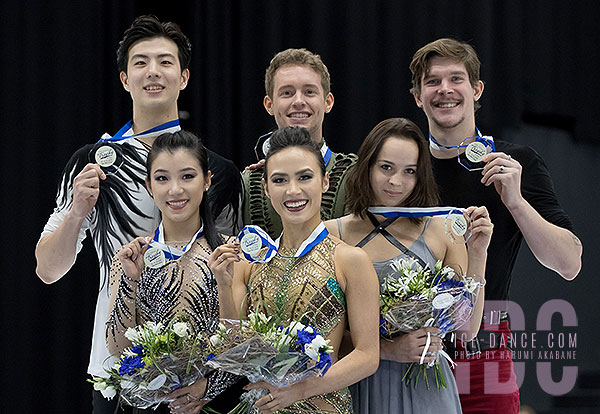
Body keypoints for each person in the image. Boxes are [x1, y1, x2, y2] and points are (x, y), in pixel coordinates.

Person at [35, 15, 241, 414]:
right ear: (125, 78)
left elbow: (232, 282)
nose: (153, 72)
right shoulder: (92, 165)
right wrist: (77, 212)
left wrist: (212, 376)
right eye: (140, 62)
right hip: (117, 368)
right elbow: (47, 269)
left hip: (196, 376)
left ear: (183, 77)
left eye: (165, 62)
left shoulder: (219, 173)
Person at [409, 38, 583, 414]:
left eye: (456, 79)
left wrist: (516, 202)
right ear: (417, 96)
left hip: (482, 349)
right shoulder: (399, 170)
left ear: (476, 89)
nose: (445, 90)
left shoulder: (516, 164)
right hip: (404, 349)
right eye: (432, 81)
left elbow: (569, 264)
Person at [325, 118, 491, 413]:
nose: (395, 181)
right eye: (385, 167)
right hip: (357, 384)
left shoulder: (443, 230)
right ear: (367, 166)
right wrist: (388, 350)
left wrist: (478, 254)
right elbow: (322, 336)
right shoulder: (332, 234)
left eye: (409, 171)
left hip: (428, 386)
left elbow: (466, 329)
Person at [211, 126, 380, 413]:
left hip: (324, 405)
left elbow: (367, 355)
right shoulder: (250, 261)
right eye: (279, 180)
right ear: (265, 188)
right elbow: (233, 346)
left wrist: (297, 391)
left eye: (304, 177)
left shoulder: (350, 259)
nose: (293, 190)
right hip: (261, 406)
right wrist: (224, 284)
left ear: (325, 181)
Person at [107, 131, 239, 413]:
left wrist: (207, 388)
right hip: (152, 406)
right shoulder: (131, 257)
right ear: (149, 185)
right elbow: (118, 351)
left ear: (207, 181)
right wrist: (131, 281)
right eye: (162, 178)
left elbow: (244, 348)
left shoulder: (231, 254)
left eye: (188, 176)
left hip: (217, 404)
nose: (175, 189)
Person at [242, 48, 357, 238]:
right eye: (287, 93)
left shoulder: (356, 175)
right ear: (269, 104)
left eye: (309, 92)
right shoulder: (248, 183)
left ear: (328, 102)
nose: (298, 101)